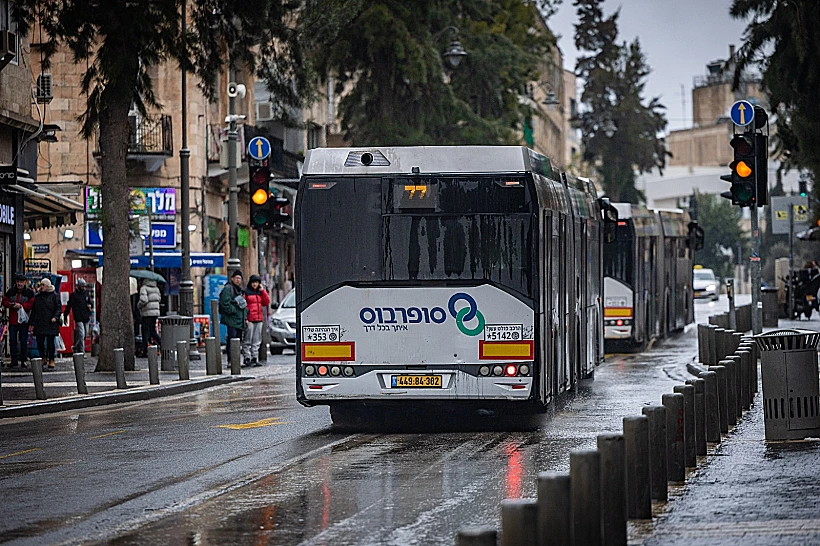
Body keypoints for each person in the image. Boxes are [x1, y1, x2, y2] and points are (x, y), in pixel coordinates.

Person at [2, 274, 35, 369]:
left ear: (25, 282)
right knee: (12, 340)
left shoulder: (29, 292)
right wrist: (12, 305)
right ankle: (14, 360)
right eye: (18, 282)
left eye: (21, 282)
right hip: (13, 320)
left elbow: (32, 304)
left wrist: (21, 305)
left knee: (23, 340)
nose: (19, 284)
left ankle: (23, 360)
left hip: (24, 321)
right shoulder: (11, 292)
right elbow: (4, 301)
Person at [31, 277, 62, 370]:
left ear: (48, 286)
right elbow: (34, 310)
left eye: (43, 285)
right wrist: (31, 322)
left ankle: (51, 359)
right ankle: (43, 358)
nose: (42, 287)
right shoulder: (38, 296)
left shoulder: (54, 296)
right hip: (40, 322)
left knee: (50, 342)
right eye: (41, 285)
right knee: (40, 342)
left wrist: (55, 317)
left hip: (50, 322)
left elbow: (58, 308)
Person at [219, 270, 247, 365]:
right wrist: (234, 310)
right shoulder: (228, 288)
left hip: (238, 320)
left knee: (237, 341)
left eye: (239, 278)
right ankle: (231, 360)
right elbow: (224, 303)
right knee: (232, 340)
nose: (238, 280)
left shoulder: (239, 290)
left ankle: (235, 360)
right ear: (232, 278)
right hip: (232, 319)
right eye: (236, 278)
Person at [242, 274, 271, 367]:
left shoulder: (260, 292)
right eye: (253, 282)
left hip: (259, 319)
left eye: (257, 282)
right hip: (249, 319)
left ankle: (254, 358)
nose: (255, 284)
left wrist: (263, 291)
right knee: (247, 339)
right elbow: (243, 306)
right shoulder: (245, 292)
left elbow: (266, 302)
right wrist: (245, 318)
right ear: (250, 283)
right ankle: (247, 357)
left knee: (257, 340)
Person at [64, 278, 93, 354]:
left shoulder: (86, 293)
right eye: (82, 286)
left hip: (86, 316)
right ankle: (81, 351)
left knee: (85, 335)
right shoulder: (74, 295)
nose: (84, 288)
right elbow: (69, 305)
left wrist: (90, 306)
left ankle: (76, 347)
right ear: (79, 286)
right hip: (78, 317)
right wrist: (65, 314)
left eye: (84, 286)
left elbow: (90, 302)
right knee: (81, 334)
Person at [138, 279, 162, 353]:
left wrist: (138, 306)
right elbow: (159, 299)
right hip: (155, 313)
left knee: (145, 331)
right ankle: (162, 344)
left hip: (146, 313)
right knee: (152, 330)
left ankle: (145, 350)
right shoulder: (156, 288)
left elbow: (144, 300)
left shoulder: (144, 288)